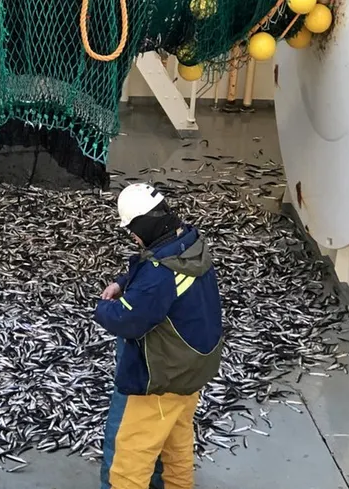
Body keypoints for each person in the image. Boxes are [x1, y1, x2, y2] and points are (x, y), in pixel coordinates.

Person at [94, 183, 224, 489]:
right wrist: (124, 281)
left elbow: (129, 320)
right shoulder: (190, 242)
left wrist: (102, 308)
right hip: (191, 373)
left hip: (158, 382)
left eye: (133, 231)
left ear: (145, 225)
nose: (134, 238)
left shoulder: (159, 274)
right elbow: (153, 266)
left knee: (128, 458)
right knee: (174, 448)